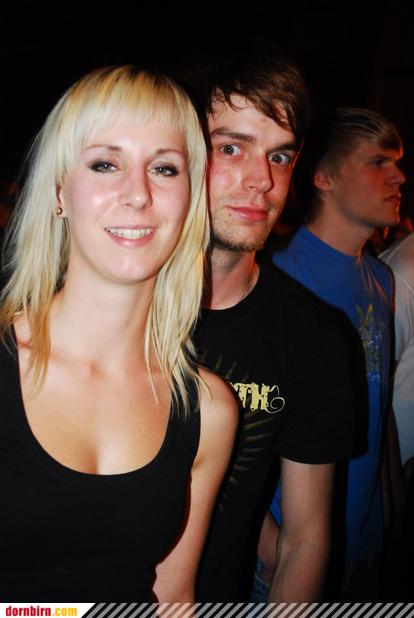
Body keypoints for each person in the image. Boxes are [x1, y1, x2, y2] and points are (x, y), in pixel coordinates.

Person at [0, 65, 238, 602]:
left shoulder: (207, 410)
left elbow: (173, 600)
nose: (138, 194)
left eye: (165, 168)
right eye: (105, 164)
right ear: (59, 191)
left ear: (190, 199)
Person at [182, 40, 355, 602]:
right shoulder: (109, 311)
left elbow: (305, 539)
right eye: (232, 148)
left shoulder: (316, 339)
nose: (262, 179)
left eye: (280, 156)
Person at [267, 107, 406, 600]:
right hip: (288, 557)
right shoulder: (279, 276)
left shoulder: (382, 278)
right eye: (378, 162)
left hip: (362, 547)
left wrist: (389, 508)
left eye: (398, 163)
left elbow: (377, 403)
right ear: (323, 178)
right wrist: (272, 548)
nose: (399, 176)